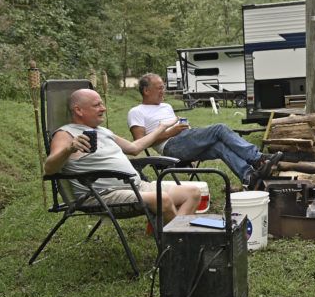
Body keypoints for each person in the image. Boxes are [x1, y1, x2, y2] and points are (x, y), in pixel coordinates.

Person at [45, 89, 201, 225]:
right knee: (162, 199)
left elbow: (134, 148)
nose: (103, 108)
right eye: (97, 105)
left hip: (136, 187)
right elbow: (50, 169)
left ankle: (171, 234)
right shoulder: (65, 134)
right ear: (78, 110)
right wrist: (69, 148)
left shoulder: (103, 131)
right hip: (103, 195)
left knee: (192, 192)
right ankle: (180, 243)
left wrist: (161, 128)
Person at [128, 73, 281, 191]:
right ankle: (257, 159)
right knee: (219, 128)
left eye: (163, 87)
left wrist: (186, 135)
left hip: (186, 142)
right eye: (159, 88)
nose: (164, 91)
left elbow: (181, 132)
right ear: (146, 90)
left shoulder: (166, 106)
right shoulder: (136, 112)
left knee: (219, 146)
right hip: (170, 147)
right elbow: (139, 144)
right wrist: (171, 132)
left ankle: (248, 177)